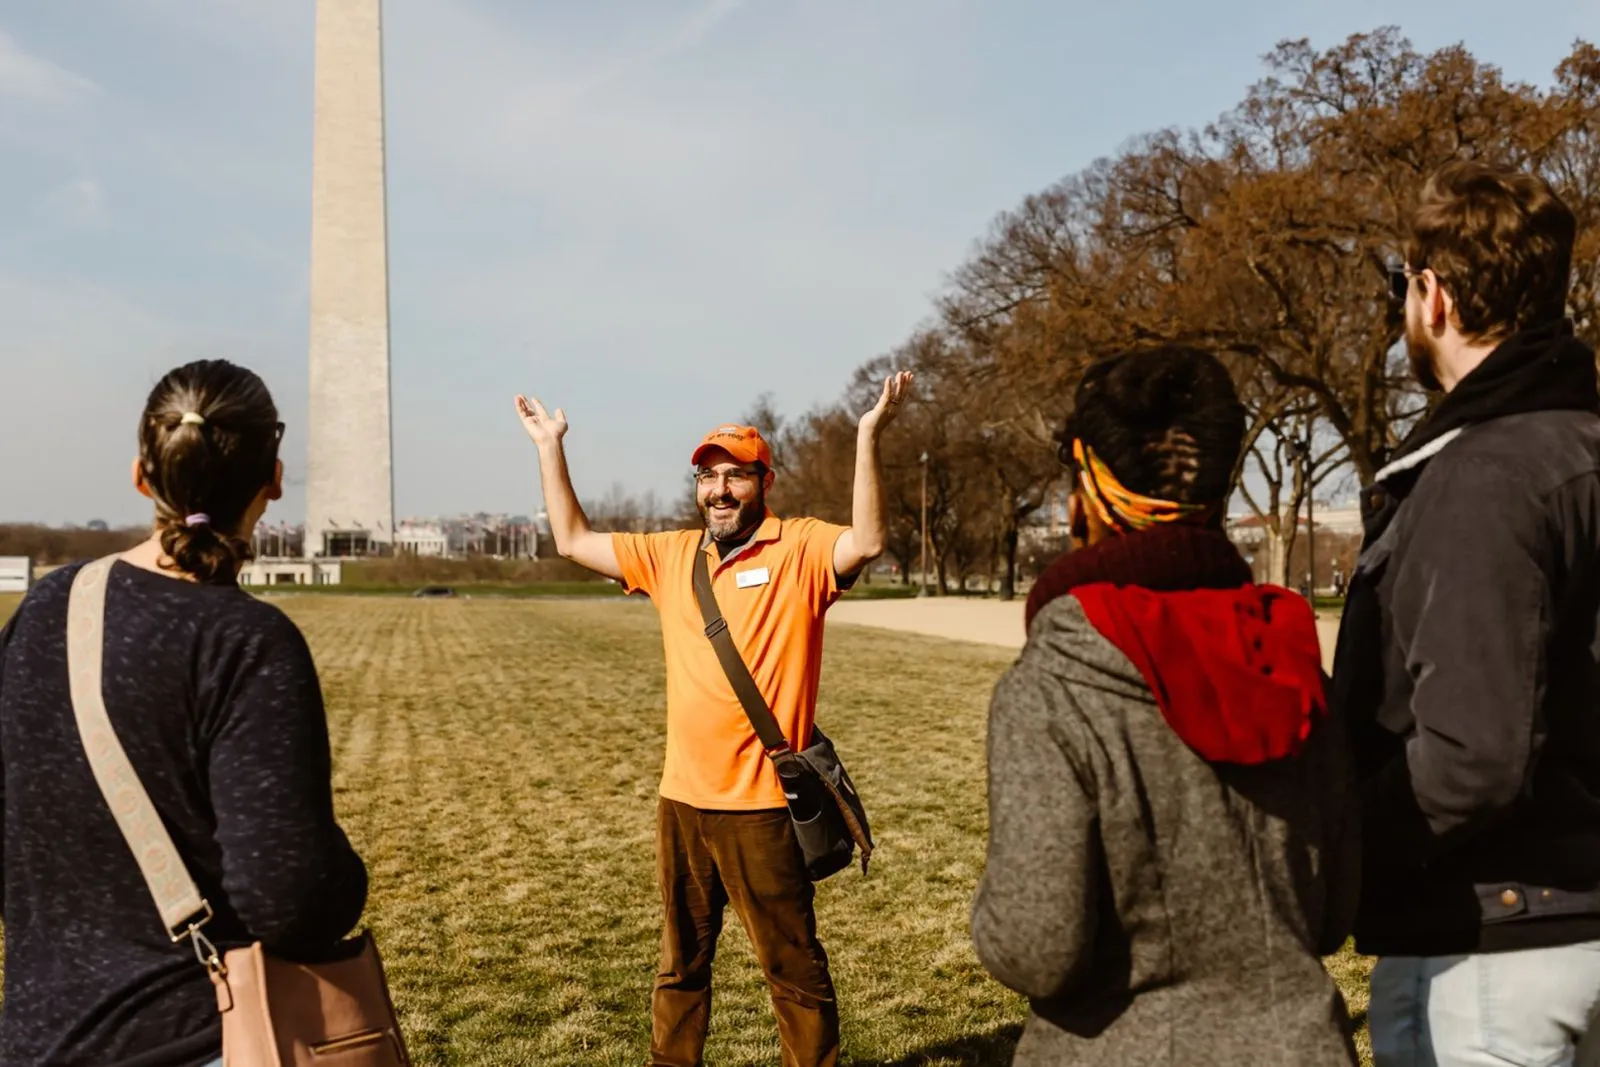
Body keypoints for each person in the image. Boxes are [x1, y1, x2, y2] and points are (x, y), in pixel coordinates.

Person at [972, 346, 1359, 1066]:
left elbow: (1036, 948)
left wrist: (990, 916)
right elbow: (1334, 912)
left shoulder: (1051, 689)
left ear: (1086, 495)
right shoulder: (1294, 662)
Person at [514, 372, 912, 1067]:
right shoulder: (670, 555)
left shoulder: (801, 547)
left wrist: (867, 435)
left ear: (765, 481)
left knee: (792, 969)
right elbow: (573, 539)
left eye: (735, 476)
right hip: (683, 803)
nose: (719, 490)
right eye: (708, 476)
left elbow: (869, 540)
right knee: (680, 967)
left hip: (764, 809)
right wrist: (550, 448)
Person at [0, 360, 369, 1067]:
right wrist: (343, 874)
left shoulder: (47, 607)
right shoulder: (246, 639)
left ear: (142, 475)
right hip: (196, 1037)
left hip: (38, 1036)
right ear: (274, 479)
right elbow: (288, 897)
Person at [1331, 161, 1600, 1065]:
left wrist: (1342, 843)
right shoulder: (1571, 451)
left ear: (1434, 295)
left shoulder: (1481, 475)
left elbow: (1472, 755)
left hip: (1492, 949)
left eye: (1405, 284)